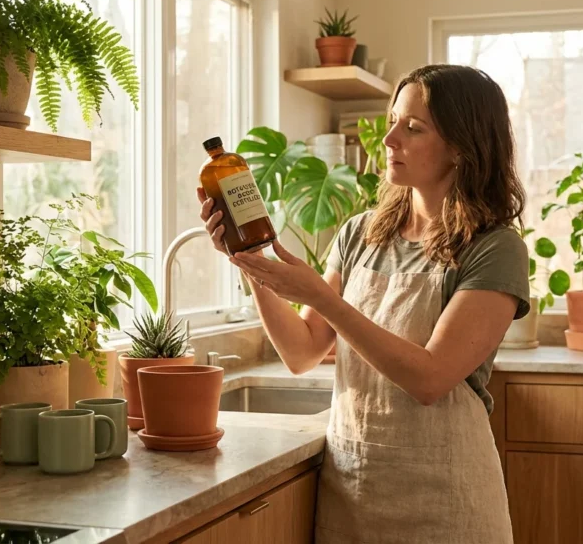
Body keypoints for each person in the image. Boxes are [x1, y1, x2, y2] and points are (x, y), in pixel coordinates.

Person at [196, 64, 528, 543]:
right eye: (393, 120)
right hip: (356, 488)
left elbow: (430, 378)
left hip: (446, 499)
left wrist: (321, 297)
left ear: (462, 147)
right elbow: (301, 351)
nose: (389, 138)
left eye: (413, 128)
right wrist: (248, 261)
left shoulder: (494, 247)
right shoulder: (361, 234)